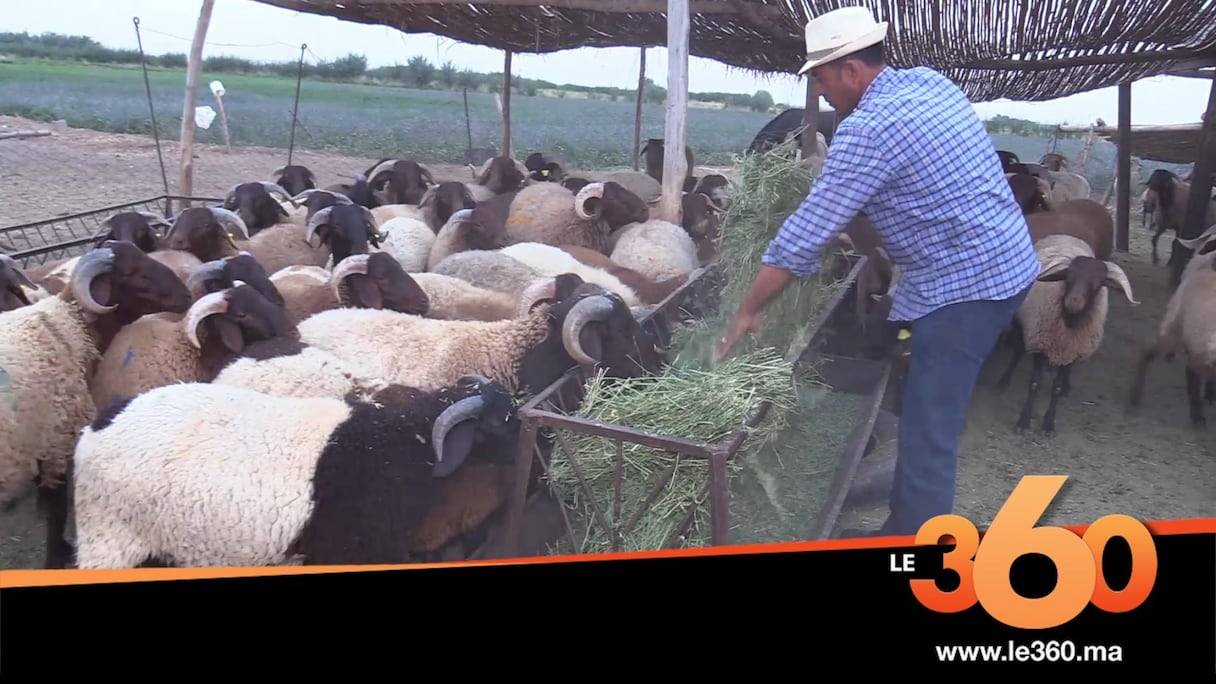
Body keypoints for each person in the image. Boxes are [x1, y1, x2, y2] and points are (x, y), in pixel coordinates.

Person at [712, 5, 1042, 538]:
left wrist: (747, 311)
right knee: (922, 413)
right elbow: (875, 202)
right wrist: (876, 259)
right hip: (1004, 261)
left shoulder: (869, 129)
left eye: (819, 77)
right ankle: (904, 525)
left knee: (929, 429)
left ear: (849, 69)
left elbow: (806, 233)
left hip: (965, 289)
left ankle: (919, 547)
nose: (819, 91)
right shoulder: (930, 84)